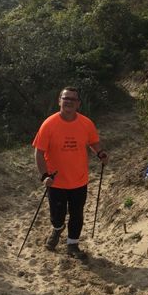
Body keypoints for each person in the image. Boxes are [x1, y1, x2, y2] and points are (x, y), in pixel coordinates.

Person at [32, 86, 108, 259]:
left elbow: (93, 142)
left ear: (78, 104)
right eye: (65, 98)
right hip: (56, 180)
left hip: (79, 180)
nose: (69, 102)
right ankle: (58, 229)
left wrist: (100, 153)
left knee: (77, 214)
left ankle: (73, 244)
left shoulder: (86, 123)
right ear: (59, 101)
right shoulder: (49, 124)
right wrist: (44, 176)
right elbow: (39, 152)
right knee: (57, 215)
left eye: (73, 99)